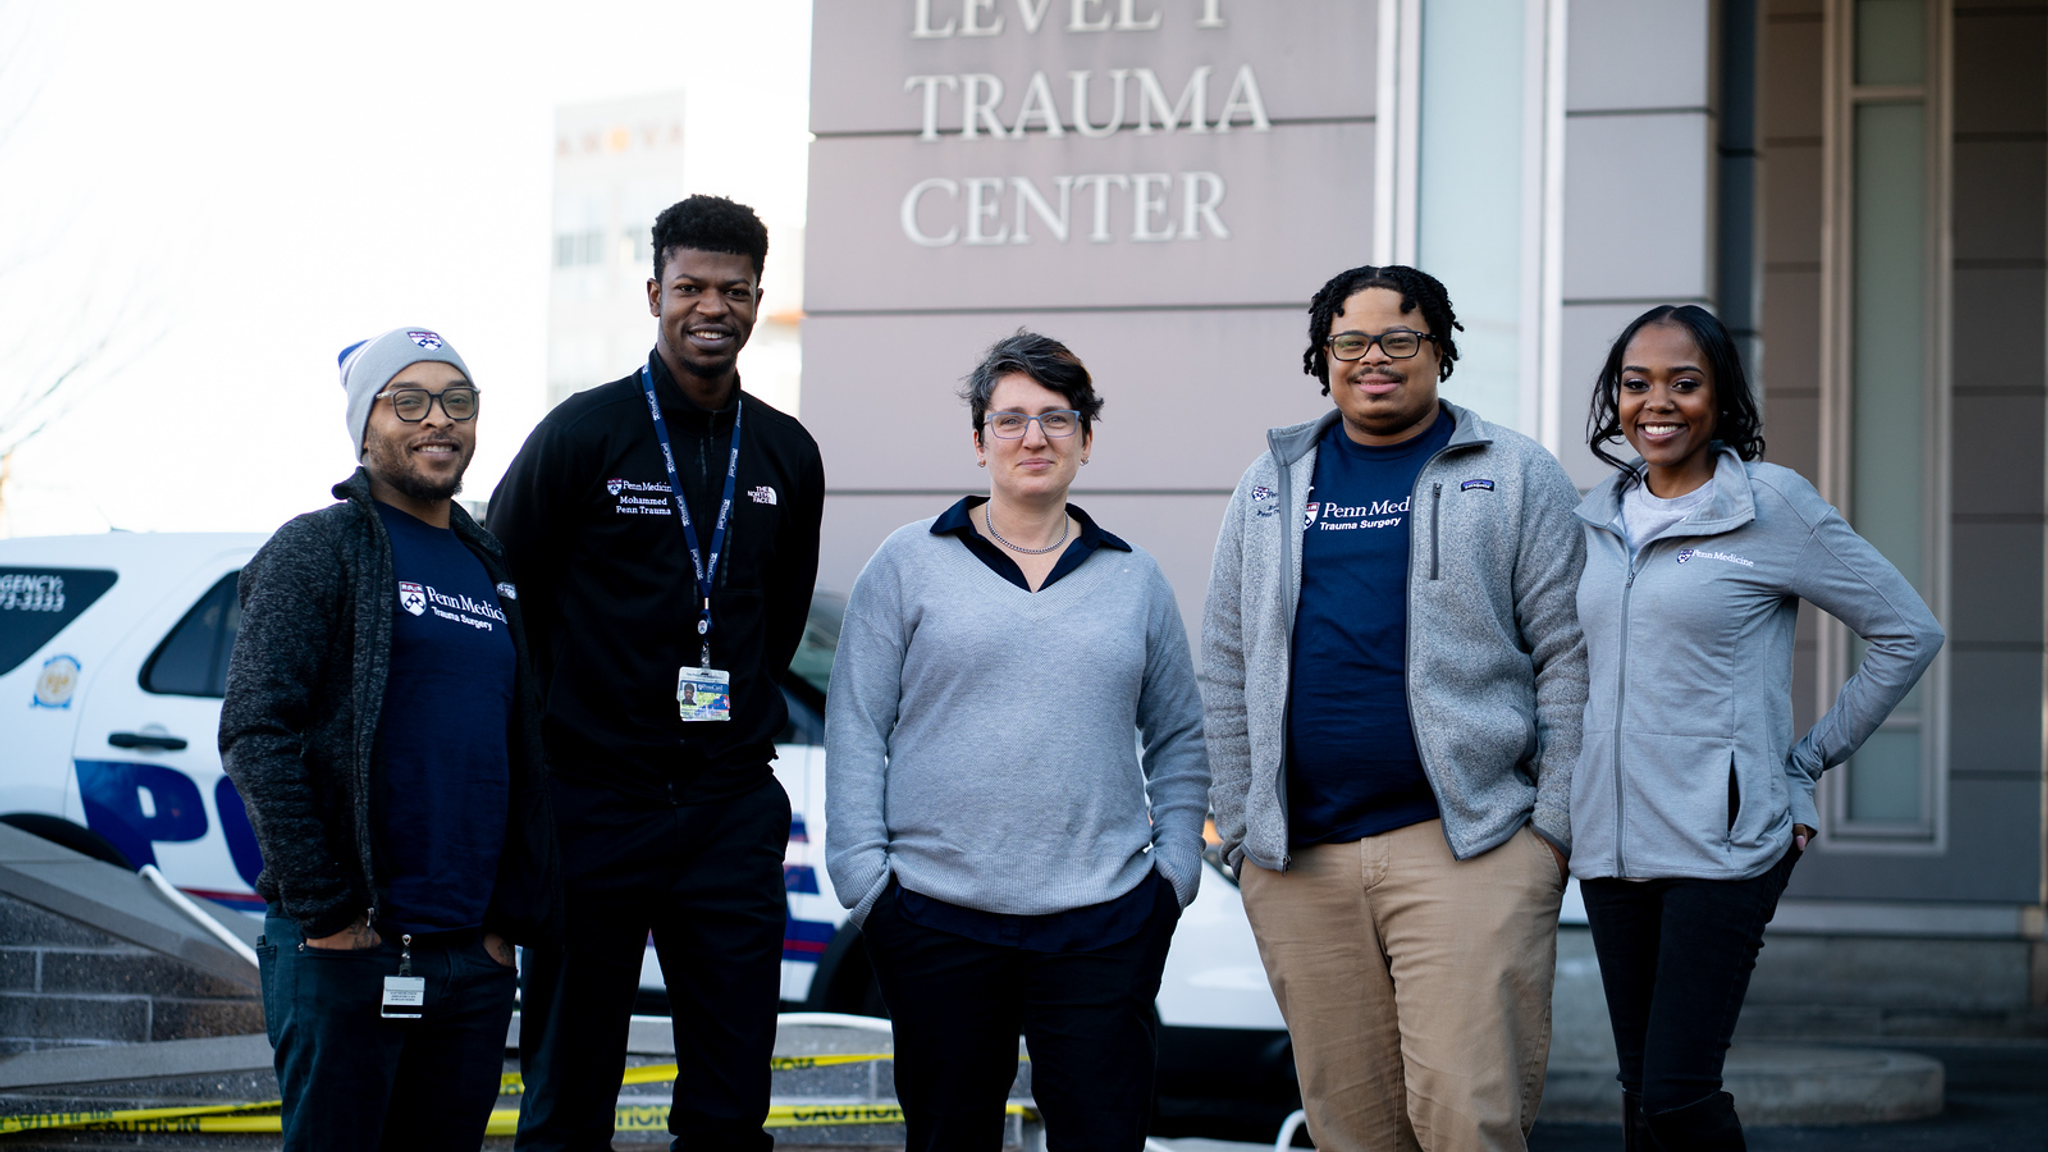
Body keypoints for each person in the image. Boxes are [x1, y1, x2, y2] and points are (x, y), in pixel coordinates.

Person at [1202, 265, 1588, 1151]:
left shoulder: (1516, 474)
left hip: (1469, 846)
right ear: (1322, 357)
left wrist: (1552, 830)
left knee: (1466, 1121)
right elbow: (1223, 660)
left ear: (1441, 351)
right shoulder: (1270, 484)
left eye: (1399, 339)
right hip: (1302, 863)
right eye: (1350, 342)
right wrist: (1242, 823)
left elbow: (1571, 656)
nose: (1374, 359)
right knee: (1353, 1130)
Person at [488, 195, 825, 1151]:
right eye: (689, 287)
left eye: (732, 290)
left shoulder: (788, 454)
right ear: (653, 293)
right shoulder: (584, 435)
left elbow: (778, 618)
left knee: (728, 1103)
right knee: (567, 1093)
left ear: (759, 299)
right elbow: (506, 599)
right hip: (592, 805)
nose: (709, 307)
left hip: (728, 813)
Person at [825, 331, 1210, 1151]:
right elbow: (856, 722)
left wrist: (1172, 876)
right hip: (936, 917)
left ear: (1086, 438)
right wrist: (866, 881)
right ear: (978, 441)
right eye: (1010, 420)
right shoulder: (907, 563)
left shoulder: (1133, 577)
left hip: (1104, 920)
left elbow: (1179, 733)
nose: (1034, 438)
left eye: (1056, 418)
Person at [1569, 305, 1942, 1150]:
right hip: (1609, 845)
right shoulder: (1594, 519)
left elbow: (1906, 631)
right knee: (1639, 1096)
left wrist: (1803, 763)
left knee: (1677, 1092)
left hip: (1724, 845)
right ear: (1615, 400)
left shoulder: (1770, 504)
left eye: (1683, 383)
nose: (1656, 403)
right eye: (1636, 384)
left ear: (1721, 397)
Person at [220, 327, 560, 1152]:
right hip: (347, 951)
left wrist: (501, 927)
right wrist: (329, 911)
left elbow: (518, 749)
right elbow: (255, 731)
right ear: (365, 425)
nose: (437, 420)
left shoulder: (491, 566)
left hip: (469, 960)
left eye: (457, 401)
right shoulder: (319, 548)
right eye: (408, 401)